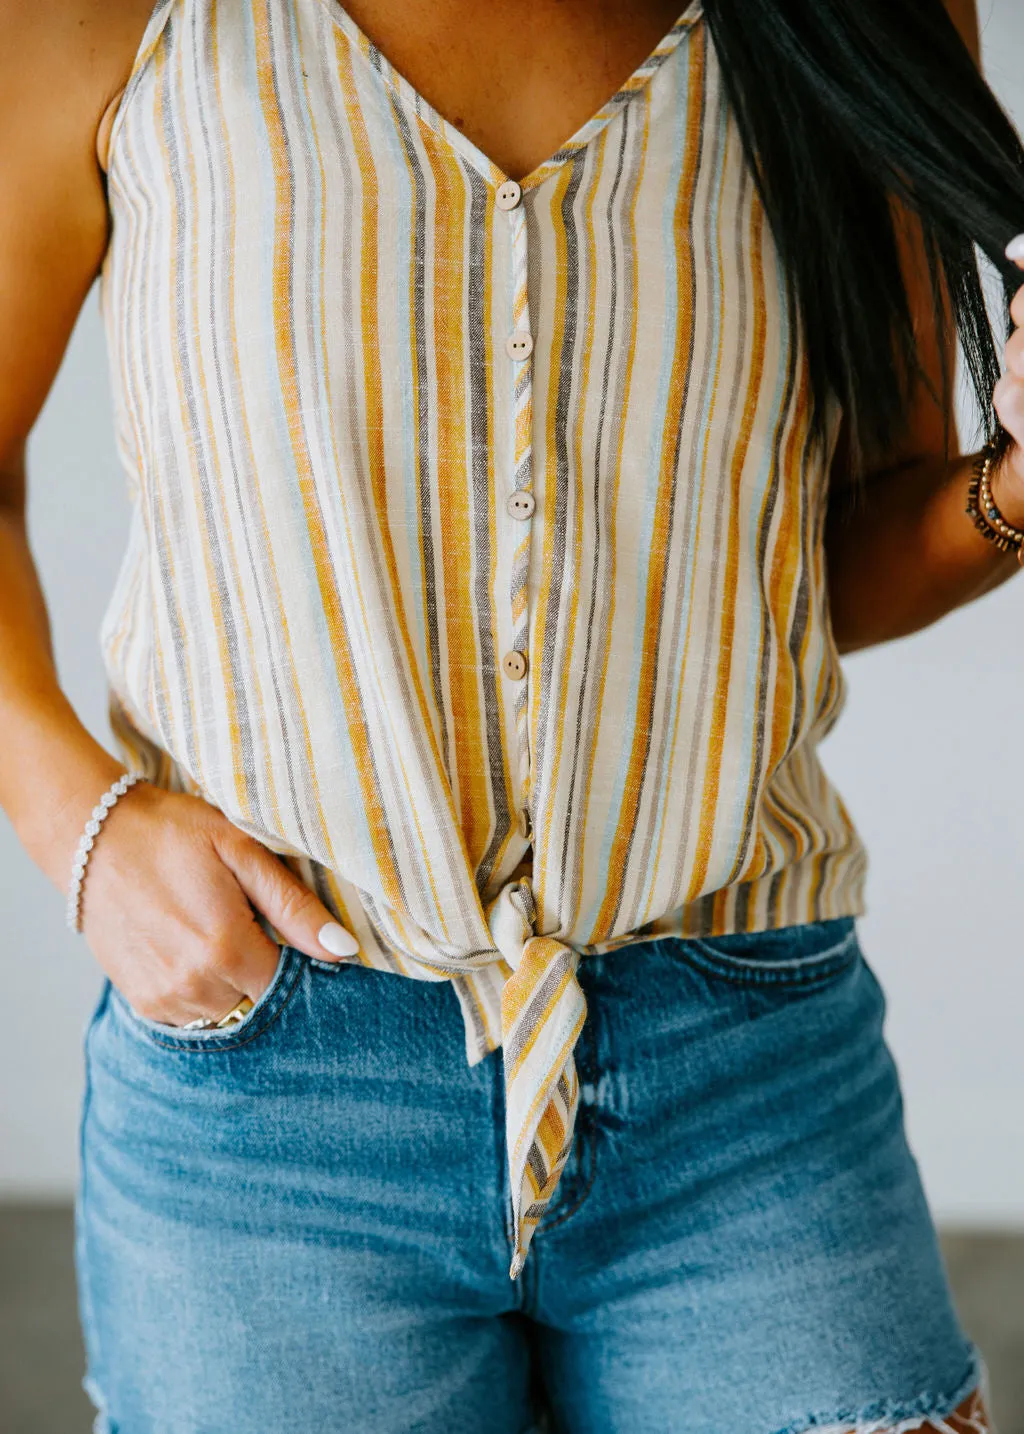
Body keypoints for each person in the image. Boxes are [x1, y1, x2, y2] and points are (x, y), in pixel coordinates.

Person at [1, 0, 1022, 1429]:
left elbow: (829, 550)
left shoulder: (860, 15)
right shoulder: (108, 21)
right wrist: (83, 826)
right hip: (272, 1082)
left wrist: (1014, 487)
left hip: (740, 1061)